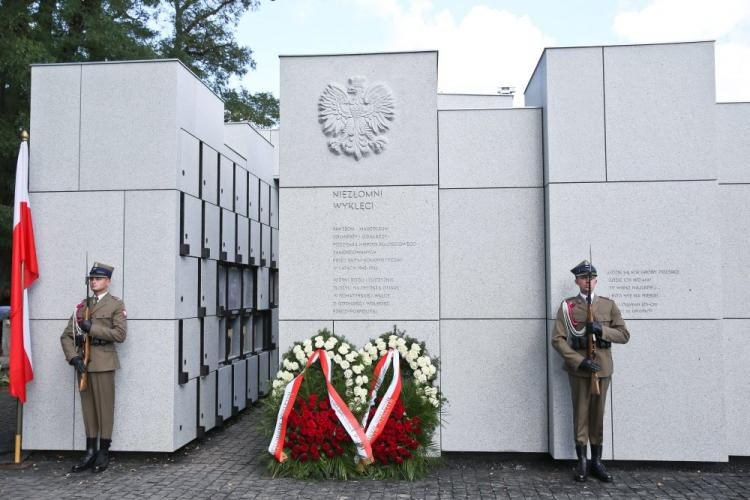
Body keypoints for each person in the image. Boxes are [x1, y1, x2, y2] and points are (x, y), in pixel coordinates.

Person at [552, 260, 630, 482]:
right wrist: (579, 360)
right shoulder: (567, 307)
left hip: (602, 369)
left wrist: (601, 329)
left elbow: (624, 335)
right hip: (579, 370)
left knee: (597, 415)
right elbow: (557, 340)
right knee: (581, 414)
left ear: (596, 280)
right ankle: (582, 462)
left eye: (590, 278)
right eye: (582, 278)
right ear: (577, 281)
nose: (587, 282)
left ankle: (597, 460)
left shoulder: (608, 306)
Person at [60, 262, 127, 473]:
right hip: (84, 364)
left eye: (98, 278)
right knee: (88, 410)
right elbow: (66, 335)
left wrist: (93, 328)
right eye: (91, 279)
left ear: (108, 281)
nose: (94, 281)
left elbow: (120, 335)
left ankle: (103, 452)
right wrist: (73, 359)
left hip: (104, 362)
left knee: (104, 410)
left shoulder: (115, 304)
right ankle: (89, 451)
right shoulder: (82, 306)